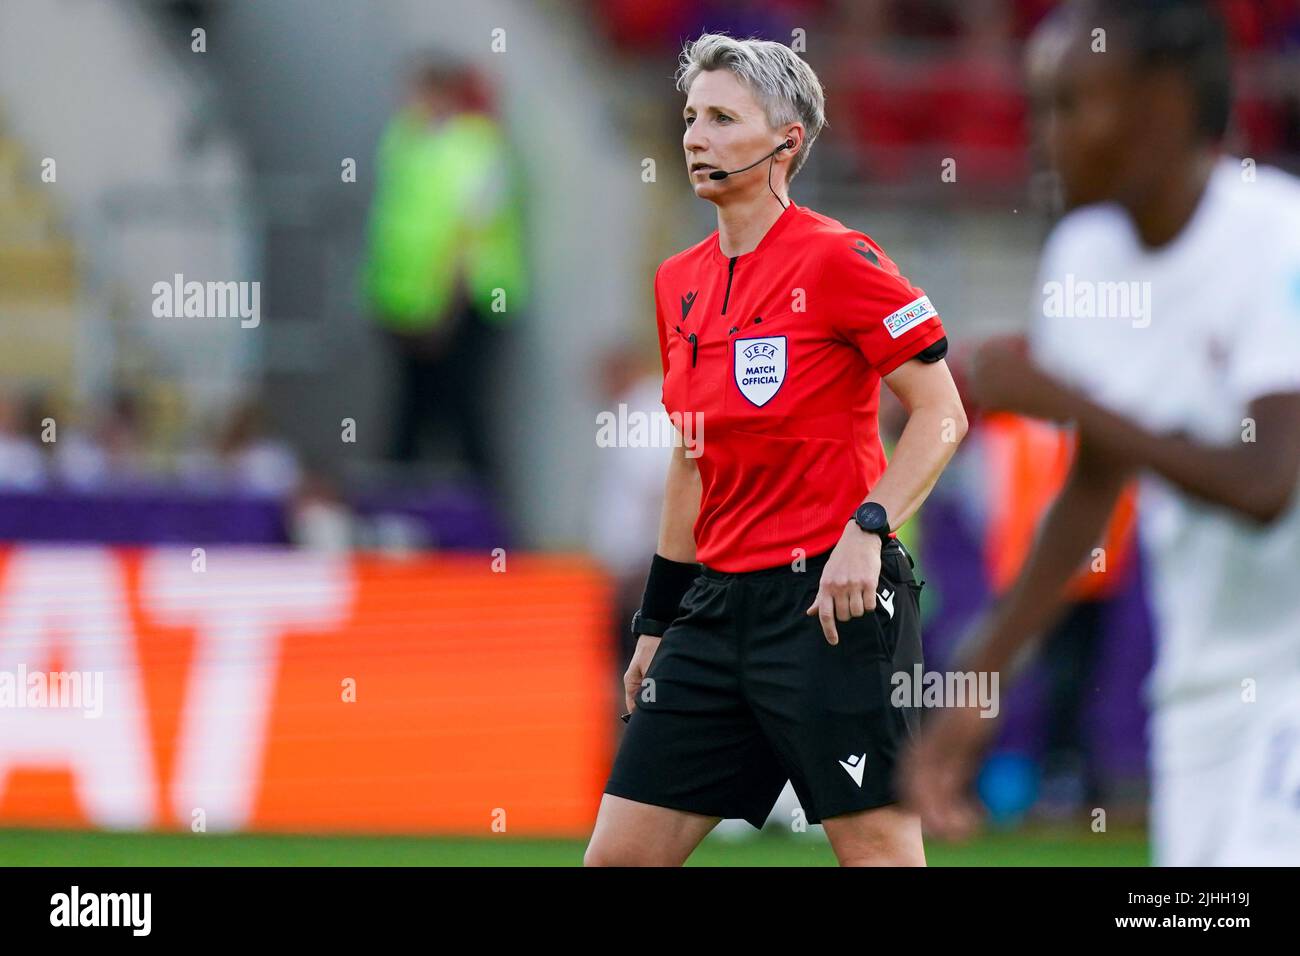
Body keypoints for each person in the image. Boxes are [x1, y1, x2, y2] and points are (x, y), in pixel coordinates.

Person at [900, 0, 1300, 866]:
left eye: (1072, 104)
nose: (1046, 135)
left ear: (1159, 106)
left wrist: (1068, 401)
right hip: (1197, 686)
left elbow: (1267, 483)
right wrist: (984, 674)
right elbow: (1097, 479)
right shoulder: (1082, 256)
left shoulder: (1276, 236)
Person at [584, 33, 967, 867]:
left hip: (831, 608)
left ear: (787, 141)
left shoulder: (842, 259)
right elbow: (691, 459)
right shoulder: (674, 281)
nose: (695, 137)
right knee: (617, 858)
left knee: (879, 856)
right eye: (691, 118)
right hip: (713, 612)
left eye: (723, 118)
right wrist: (656, 621)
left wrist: (868, 528)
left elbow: (942, 413)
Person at [361, 59, 528, 489]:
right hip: (409, 302)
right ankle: (401, 506)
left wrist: (446, 307)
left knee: (463, 407)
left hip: (465, 301)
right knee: (412, 408)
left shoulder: (477, 147)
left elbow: (470, 234)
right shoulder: (405, 140)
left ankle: (483, 514)